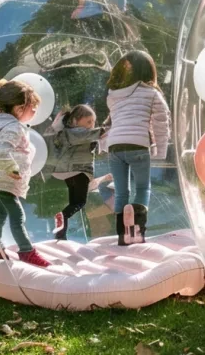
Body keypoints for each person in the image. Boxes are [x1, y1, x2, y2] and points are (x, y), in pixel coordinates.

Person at [0, 79, 51, 267]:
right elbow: (1, 151)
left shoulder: (8, 125)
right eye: (33, 107)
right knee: (18, 215)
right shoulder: (13, 127)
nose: (35, 111)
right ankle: (26, 251)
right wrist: (12, 169)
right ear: (20, 108)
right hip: (4, 178)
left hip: (1, 178)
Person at [103, 51, 171, 246]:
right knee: (142, 188)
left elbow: (115, 122)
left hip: (115, 147)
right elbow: (161, 123)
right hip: (138, 145)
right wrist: (160, 151)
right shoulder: (151, 93)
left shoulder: (113, 95)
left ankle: (122, 236)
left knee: (122, 192)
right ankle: (138, 232)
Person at [46, 105, 106, 241]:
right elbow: (91, 134)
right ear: (75, 121)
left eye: (93, 122)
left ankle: (61, 235)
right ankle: (63, 215)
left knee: (74, 202)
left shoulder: (66, 132)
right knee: (80, 202)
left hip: (67, 172)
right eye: (88, 121)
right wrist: (105, 131)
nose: (91, 125)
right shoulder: (76, 132)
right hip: (79, 171)